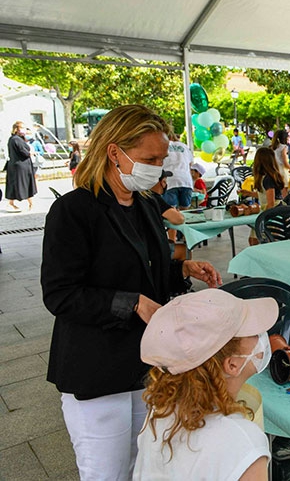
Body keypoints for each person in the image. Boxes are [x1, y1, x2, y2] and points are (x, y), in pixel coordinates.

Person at [40, 104, 223, 480]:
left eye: (160, 158)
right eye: (148, 158)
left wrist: (181, 269)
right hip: (98, 368)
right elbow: (60, 294)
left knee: (148, 467)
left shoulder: (145, 203)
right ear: (114, 152)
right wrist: (132, 303)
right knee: (106, 473)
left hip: (148, 366)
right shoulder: (73, 211)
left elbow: (146, 269)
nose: (157, 167)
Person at [135, 289, 278, 480]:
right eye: (252, 331)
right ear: (233, 364)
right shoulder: (244, 444)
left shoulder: (161, 408)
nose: (262, 336)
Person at [239, 147, 285, 245]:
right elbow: (264, 195)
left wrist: (263, 219)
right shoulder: (266, 177)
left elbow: (271, 202)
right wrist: (250, 193)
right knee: (253, 239)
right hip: (270, 210)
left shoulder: (268, 179)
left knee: (259, 239)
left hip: (272, 212)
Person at [5, 121, 37, 211]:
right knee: (24, 184)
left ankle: (12, 203)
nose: (24, 130)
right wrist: (30, 153)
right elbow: (24, 152)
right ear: (17, 129)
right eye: (22, 128)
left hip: (19, 165)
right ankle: (30, 203)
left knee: (18, 184)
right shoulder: (16, 139)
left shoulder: (14, 139)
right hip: (21, 166)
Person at [162, 133, 194, 210]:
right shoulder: (184, 146)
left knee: (171, 210)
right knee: (185, 209)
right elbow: (190, 164)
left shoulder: (163, 145)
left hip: (170, 181)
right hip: (186, 180)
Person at [271, 129, 290, 193]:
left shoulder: (272, 147)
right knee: (284, 189)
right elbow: (285, 161)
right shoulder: (283, 147)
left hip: (274, 170)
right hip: (282, 170)